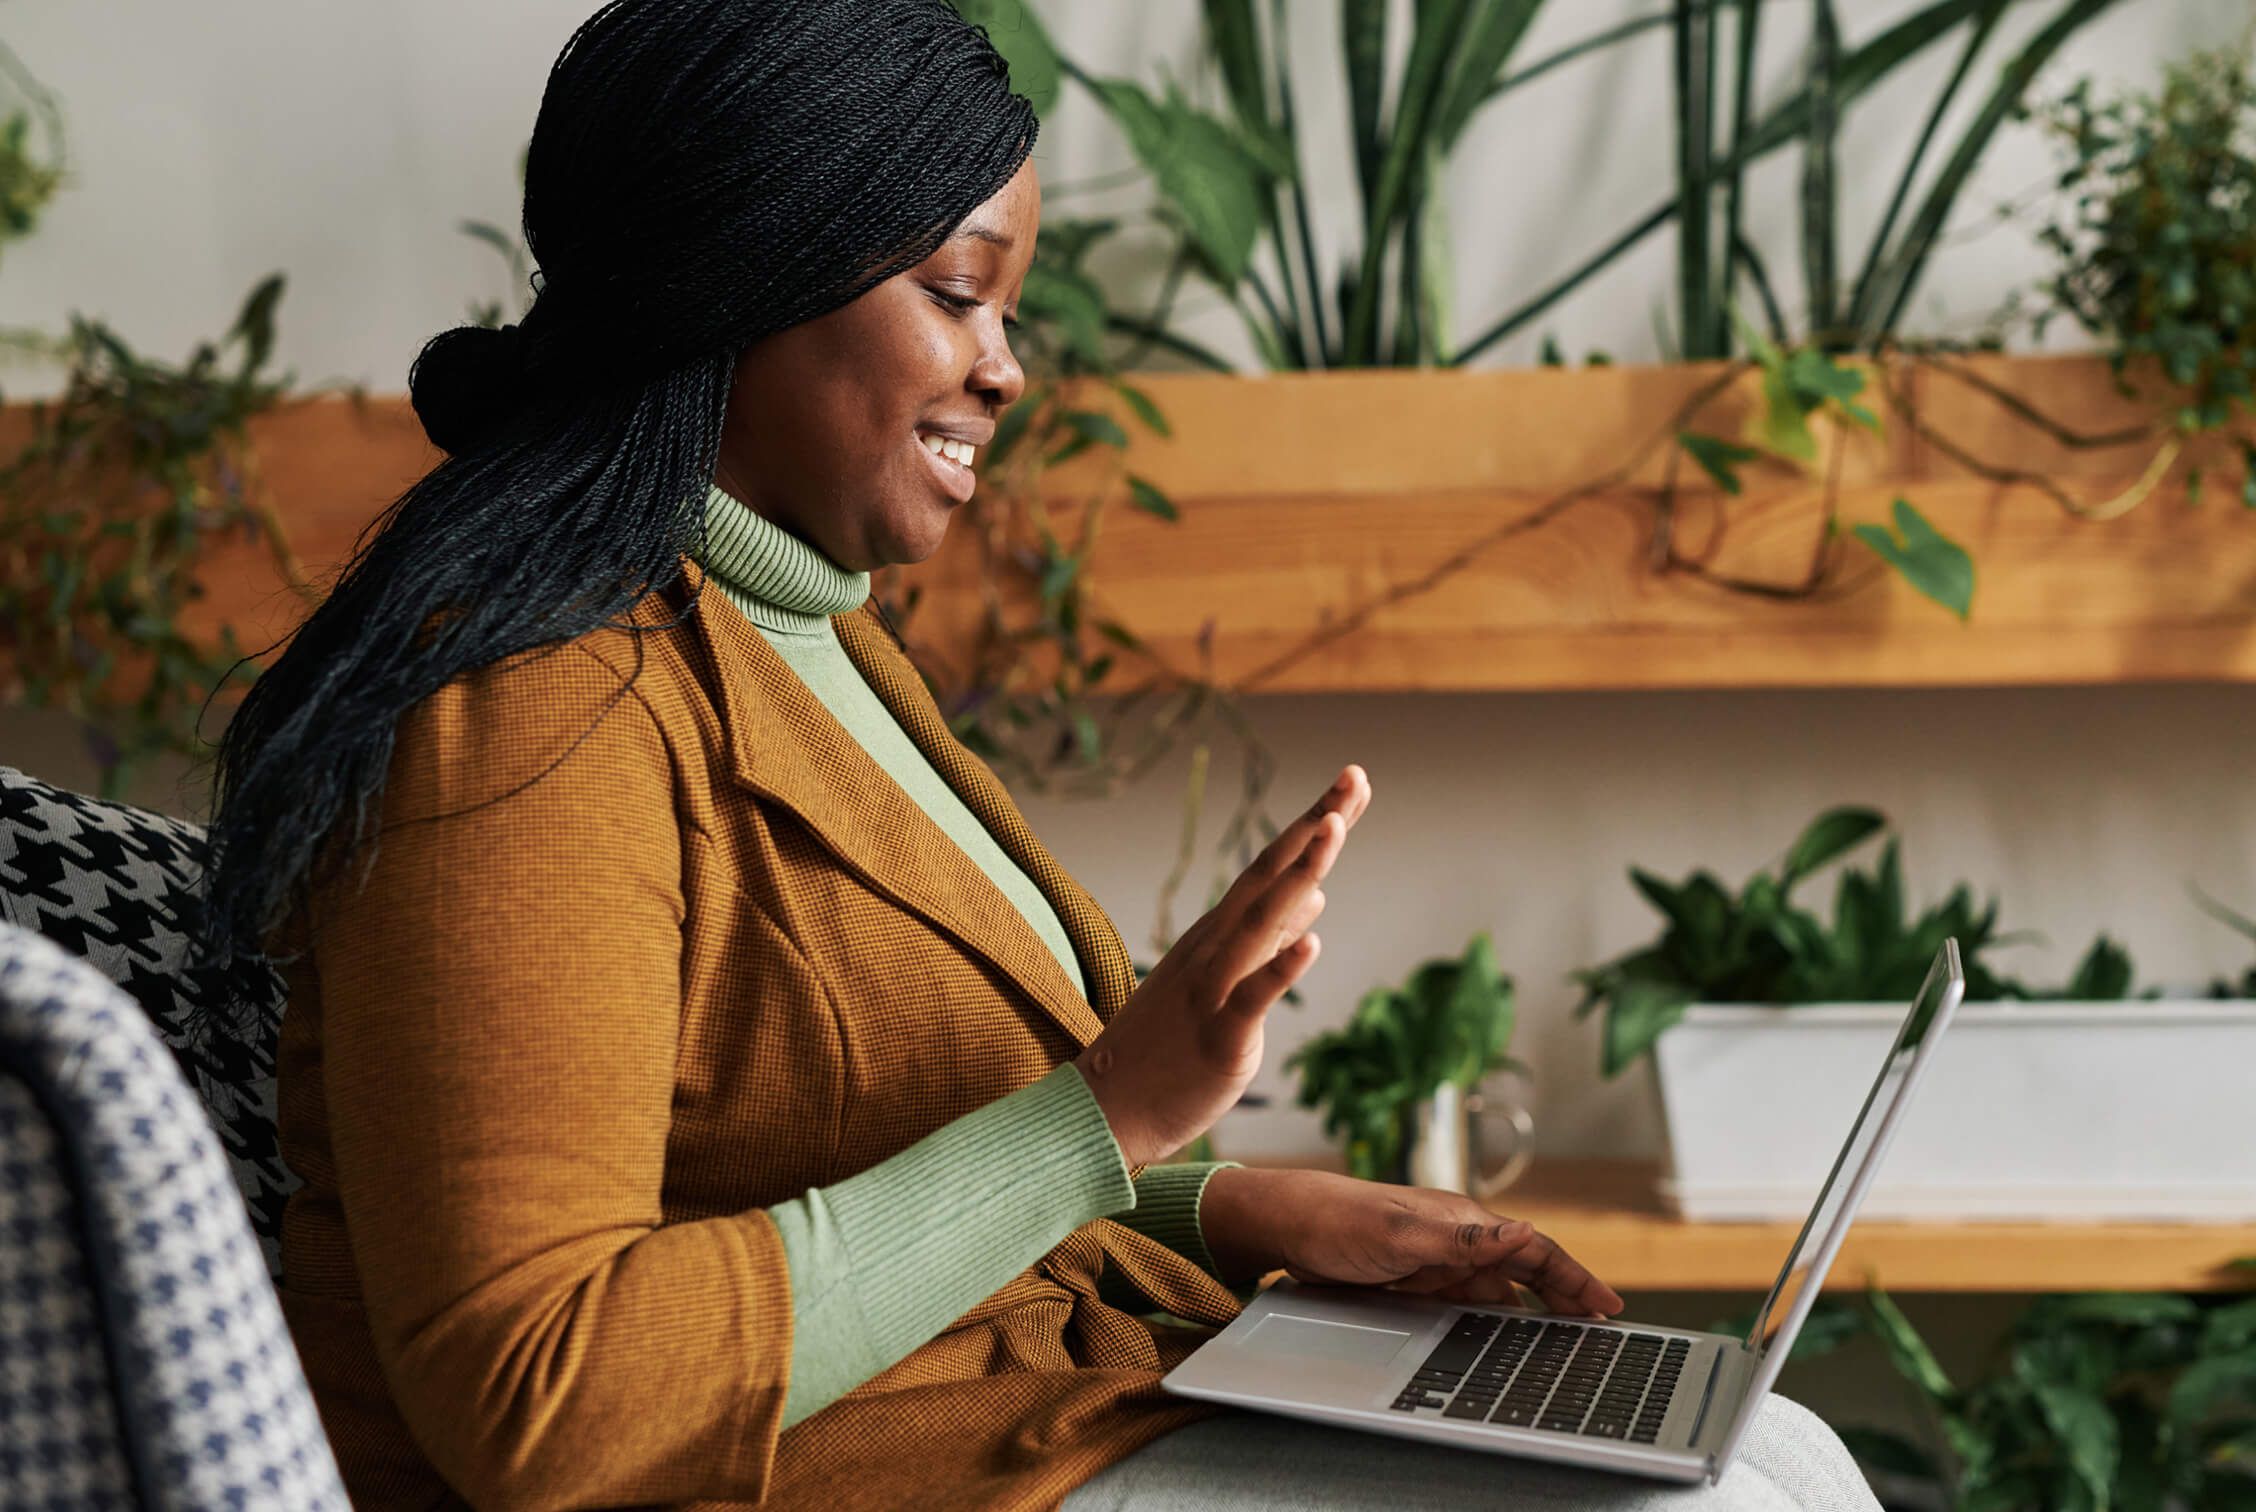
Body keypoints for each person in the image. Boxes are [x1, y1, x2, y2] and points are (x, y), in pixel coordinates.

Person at [197, 2, 1884, 1508]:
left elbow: (849, 1150)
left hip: (1028, 1403)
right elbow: (539, 1396)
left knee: (1779, 1451)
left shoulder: (808, 632)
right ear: (749, 278)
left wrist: (1229, 1206)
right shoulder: (535, 702)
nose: (1005, 369)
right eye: (958, 295)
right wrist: (1105, 1117)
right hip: (854, 1467)